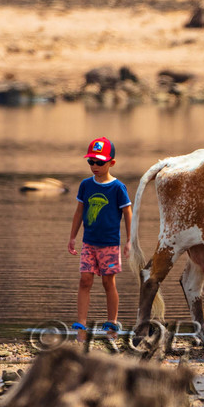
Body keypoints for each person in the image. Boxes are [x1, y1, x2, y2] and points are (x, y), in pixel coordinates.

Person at [66, 136, 132, 332]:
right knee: (85, 279)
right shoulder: (86, 185)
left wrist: (130, 240)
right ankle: (81, 323)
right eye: (91, 161)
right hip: (89, 242)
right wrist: (72, 237)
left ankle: (112, 321)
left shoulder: (117, 187)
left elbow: (127, 212)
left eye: (99, 162)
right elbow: (79, 211)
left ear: (111, 163)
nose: (94, 166)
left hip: (110, 244)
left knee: (107, 281)